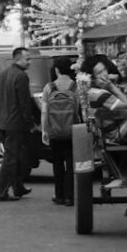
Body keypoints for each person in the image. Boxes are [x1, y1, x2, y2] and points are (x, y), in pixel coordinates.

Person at [0, 47, 35, 202]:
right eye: (27, 59)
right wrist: (29, 123)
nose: (30, 62)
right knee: (10, 158)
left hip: (3, 122)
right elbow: (24, 103)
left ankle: (18, 187)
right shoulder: (21, 76)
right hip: (15, 123)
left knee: (12, 156)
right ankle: (0, 191)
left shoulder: (2, 75)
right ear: (17, 59)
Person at [41, 56, 80, 206]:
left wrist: (44, 131)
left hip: (54, 131)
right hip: (72, 131)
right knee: (71, 164)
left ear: (56, 70)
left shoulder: (49, 87)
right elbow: (78, 110)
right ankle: (70, 196)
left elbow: (44, 112)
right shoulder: (75, 87)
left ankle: (59, 195)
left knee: (57, 163)